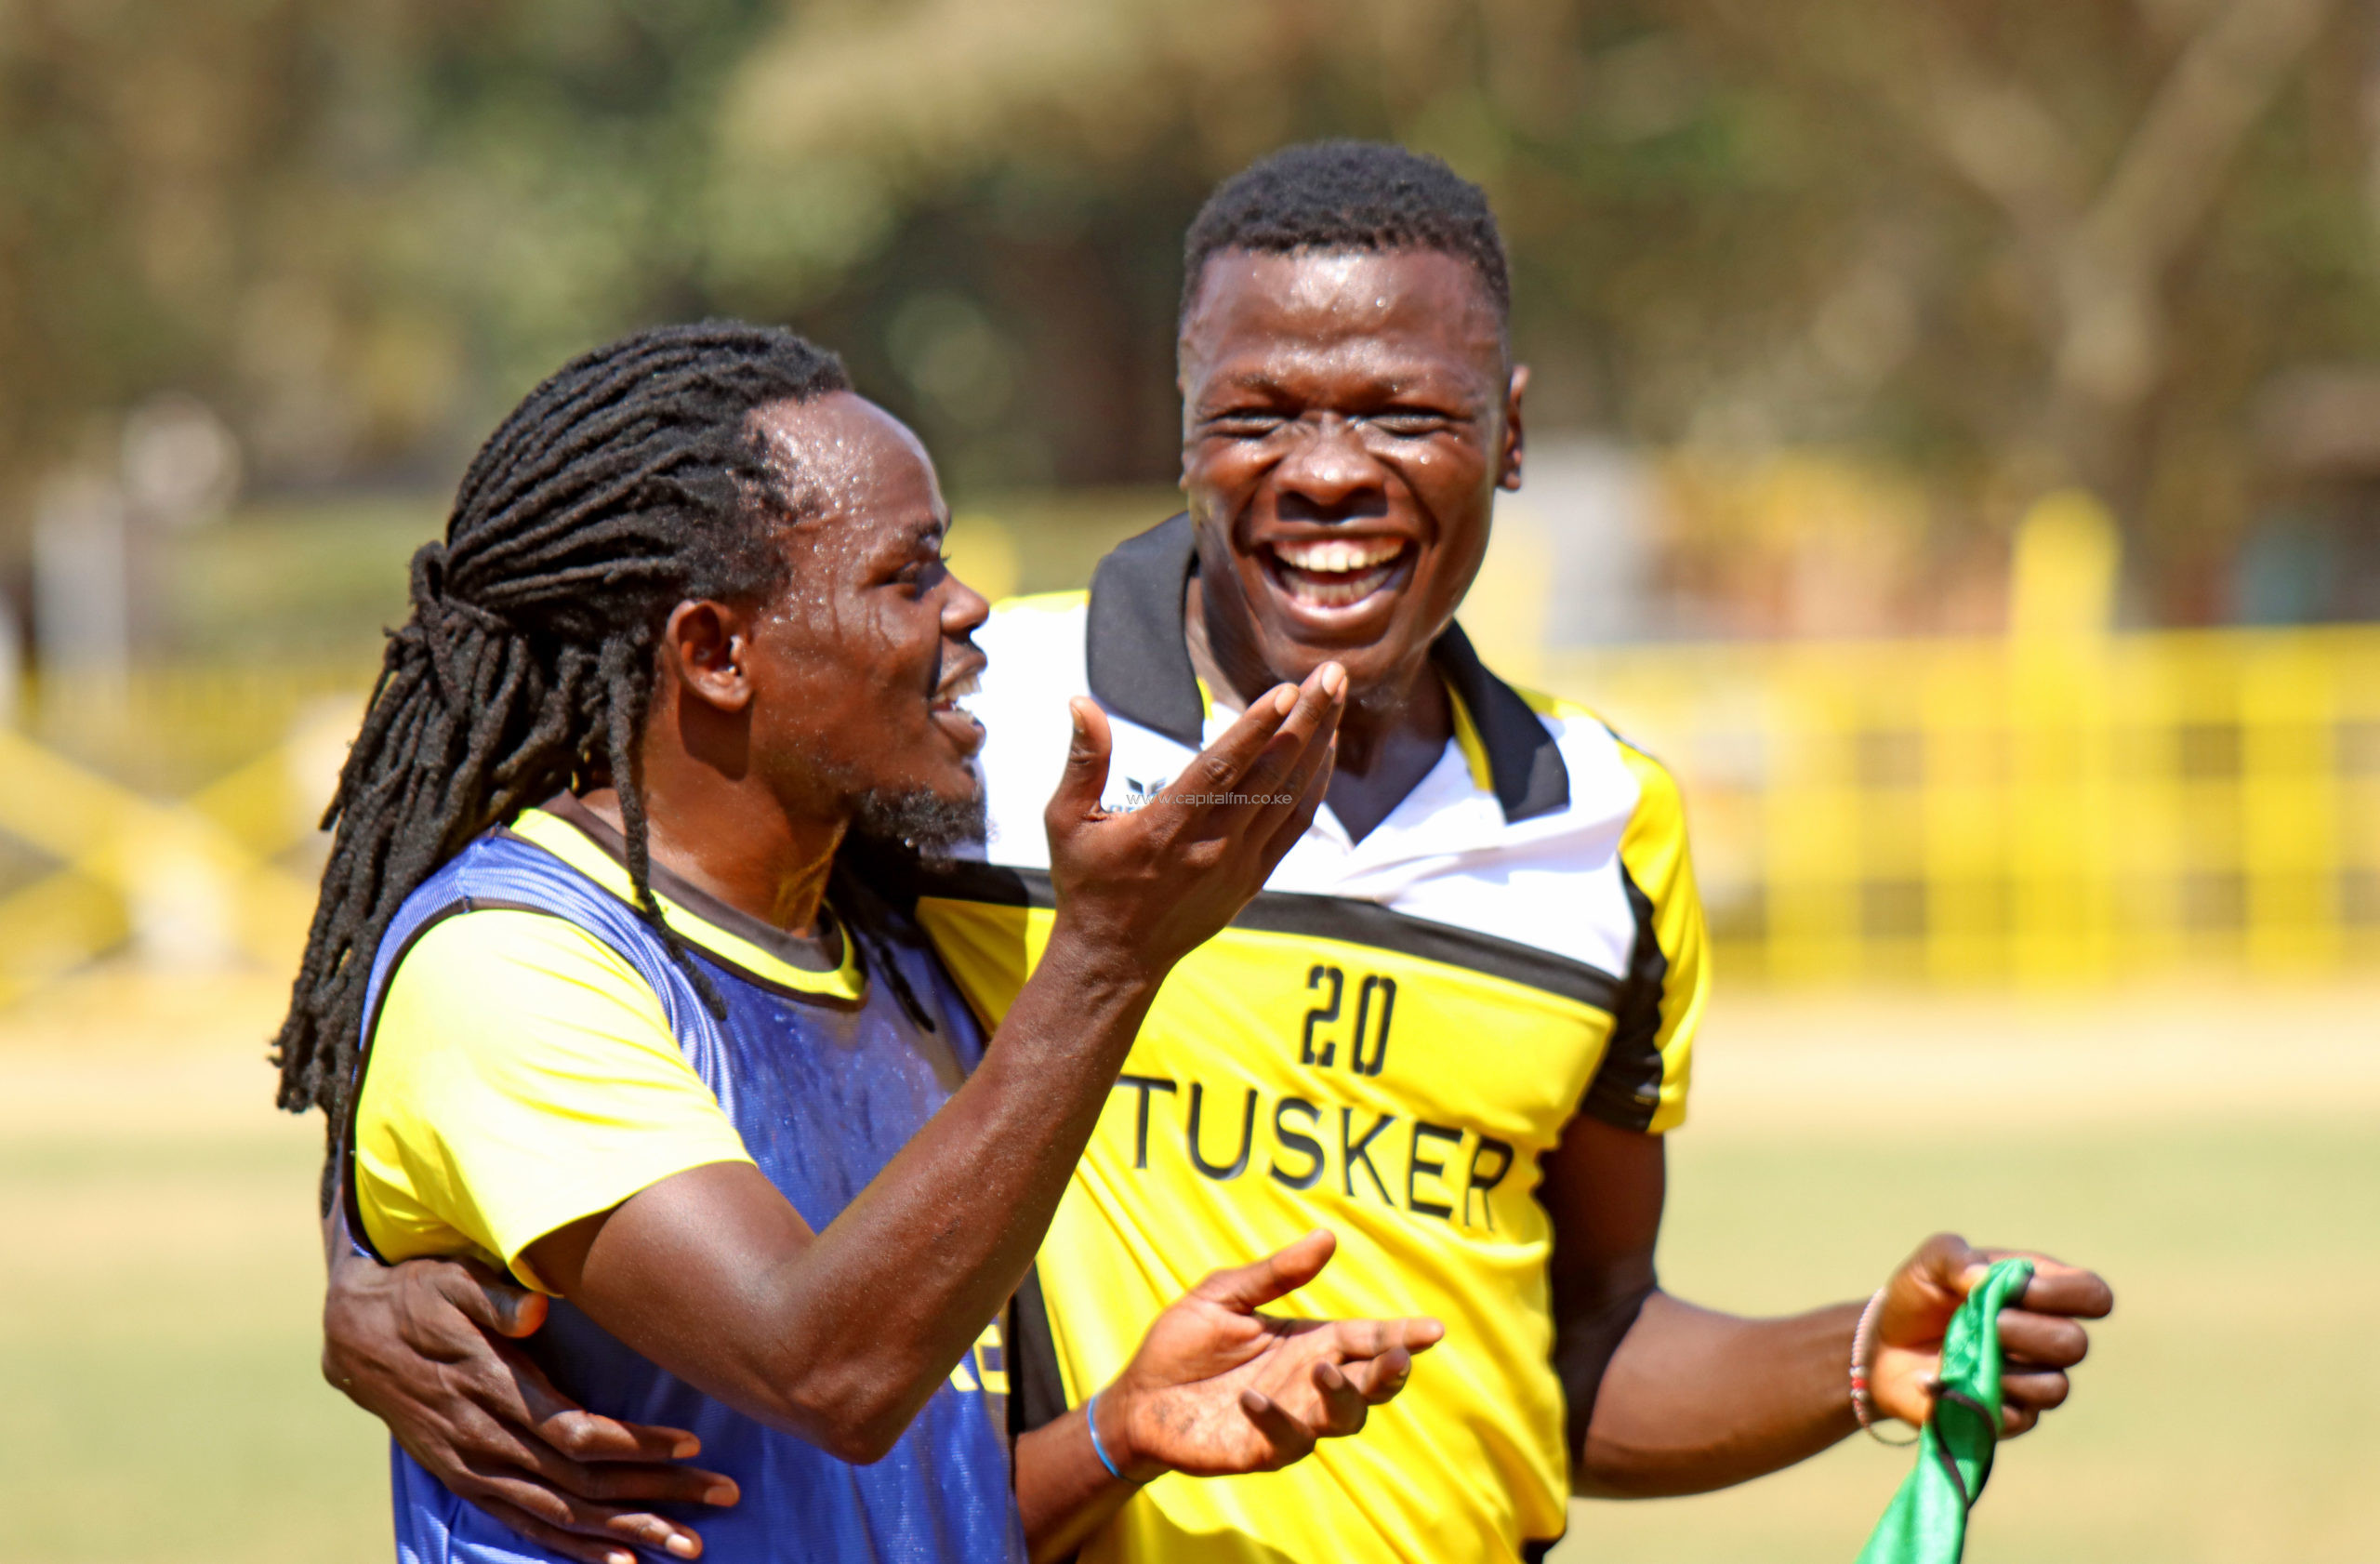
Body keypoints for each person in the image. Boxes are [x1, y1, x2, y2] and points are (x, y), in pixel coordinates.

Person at [317, 148, 2114, 1563]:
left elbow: (1571, 1344)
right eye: (1258, 414)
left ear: (1508, 430)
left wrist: (1848, 1355)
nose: (1325, 472)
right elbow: (530, 938)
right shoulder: (963, 733)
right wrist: (362, 1259)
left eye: (1402, 411)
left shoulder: (1605, 823)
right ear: (1182, 428)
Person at [277, 321, 1448, 1564]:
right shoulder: (512, 962)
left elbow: (876, 1505)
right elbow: (827, 1369)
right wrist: (1110, 957)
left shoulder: (892, 957)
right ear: (716, 652)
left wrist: (1120, 1433)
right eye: (910, 574)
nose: (970, 605)